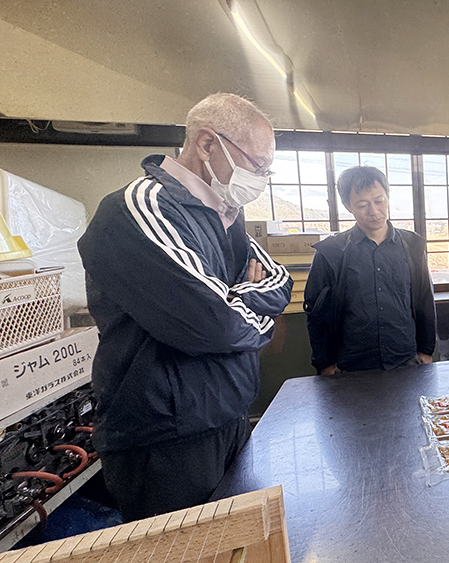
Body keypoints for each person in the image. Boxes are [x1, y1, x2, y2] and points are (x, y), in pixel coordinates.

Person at [77, 93, 292, 521]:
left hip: (228, 416)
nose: (261, 179)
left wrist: (234, 299)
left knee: (238, 542)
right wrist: (247, 307)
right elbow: (215, 324)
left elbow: (278, 281)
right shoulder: (140, 208)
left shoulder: (225, 214)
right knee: (188, 547)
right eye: (257, 165)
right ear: (208, 144)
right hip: (167, 436)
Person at [304, 166, 435, 373]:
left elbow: (425, 300)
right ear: (348, 206)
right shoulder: (331, 252)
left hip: (406, 360)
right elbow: (316, 313)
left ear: (388, 197)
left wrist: (426, 351)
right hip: (351, 365)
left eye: (379, 201)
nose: (374, 211)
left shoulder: (413, 246)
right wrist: (325, 363)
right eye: (363, 205)